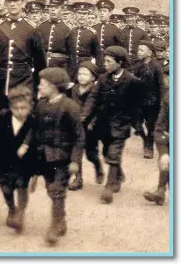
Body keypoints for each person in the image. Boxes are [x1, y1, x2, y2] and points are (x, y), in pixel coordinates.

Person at [82, 46, 142, 204]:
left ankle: (108, 188)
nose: (105, 64)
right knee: (107, 152)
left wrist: (137, 125)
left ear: (119, 63)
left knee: (114, 153)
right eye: (105, 61)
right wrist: (84, 115)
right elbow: (93, 98)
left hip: (121, 124)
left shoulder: (132, 81)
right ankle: (118, 175)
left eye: (109, 61)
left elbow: (136, 105)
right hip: (103, 123)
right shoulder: (103, 78)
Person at [35, 67, 85, 245]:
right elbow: (36, 131)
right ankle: (61, 218)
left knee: (57, 189)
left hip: (63, 157)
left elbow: (79, 137)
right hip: (45, 157)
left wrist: (75, 161)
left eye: (42, 84)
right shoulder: (40, 105)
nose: (39, 87)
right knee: (51, 189)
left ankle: (55, 226)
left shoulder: (70, 107)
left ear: (54, 86)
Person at [0, 85, 36, 233]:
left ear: (30, 106)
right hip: (3, 161)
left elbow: (36, 141)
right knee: (6, 188)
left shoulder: (33, 122)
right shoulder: (2, 118)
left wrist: (27, 145)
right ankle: (12, 209)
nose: (20, 112)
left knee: (22, 186)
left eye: (24, 108)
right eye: (16, 108)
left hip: (24, 163)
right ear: (10, 107)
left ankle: (20, 215)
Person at [67, 61, 104, 190]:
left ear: (93, 77)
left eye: (85, 74)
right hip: (75, 126)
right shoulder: (73, 89)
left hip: (90, 127)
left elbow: (99, 110)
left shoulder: (96, 90)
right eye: (79, 74)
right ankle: (78, 179)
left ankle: (98, 166)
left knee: (91, 154)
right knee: (75, 152)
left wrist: (93, 123)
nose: (81, 76)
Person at [133, 41, 165, 159]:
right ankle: (145, 139)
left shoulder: (156, 66)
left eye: (142, 50)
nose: (139, 52)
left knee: (151, 126)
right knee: (136, 124)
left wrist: (161, 102)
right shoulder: (136, 64)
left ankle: (149, 147)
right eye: (139, 49)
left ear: (149, 53)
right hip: (138, 100)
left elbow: (161, 85)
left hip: (152, 101)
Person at [143, 64, 169, 205]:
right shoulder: (168, 99)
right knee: (166, 159)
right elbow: (159, 128)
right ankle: (160, 191)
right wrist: (163, 153)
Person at [35, 0, 73, 74]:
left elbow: (71, 55)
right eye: (51, 7)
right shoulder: (41, 26)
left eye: (56, 8)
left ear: (62, 10)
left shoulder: (68, 29)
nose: (53, 10)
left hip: (60, 67)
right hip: (43, 65)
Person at [68, 2, 102, 80]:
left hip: (85, 69)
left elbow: (98, 55)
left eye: (85, 13)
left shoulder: (92, 33)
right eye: (79, 13)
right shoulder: (70, 31)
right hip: (71, 69)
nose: (82, 16)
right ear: (75, 15)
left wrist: (98, 74)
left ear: (87, 15)